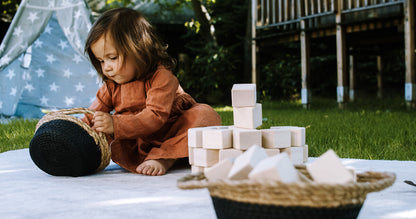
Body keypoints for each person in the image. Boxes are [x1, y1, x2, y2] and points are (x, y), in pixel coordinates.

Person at [82, 7, 221, 176]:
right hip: (135, 141)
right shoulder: (111, 86)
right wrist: (74, 127)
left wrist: (116, 124)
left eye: (112, 58)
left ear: (139, 50)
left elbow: (155, 116)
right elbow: (91, 114)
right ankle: (83, 154)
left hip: (170, 135)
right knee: (98, 130)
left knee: (205, 115)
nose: (107, 68)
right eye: (101, 61)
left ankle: (165, 157)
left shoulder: (161, 77)